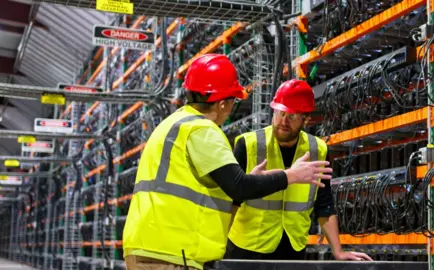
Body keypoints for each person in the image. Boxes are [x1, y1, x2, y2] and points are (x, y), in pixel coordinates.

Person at [122, 54, 333, 270]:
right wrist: (292, 175)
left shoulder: (175, 122)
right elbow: (238, 188)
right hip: (171, 253)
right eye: (233, 101)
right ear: (222, 104)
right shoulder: (202, 130)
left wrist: (254, 179)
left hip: (155, 246)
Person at [226, 79, 373, 261]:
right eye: (280, 113)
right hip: (247, 247)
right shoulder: (248, 145)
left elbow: (324, 203)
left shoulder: (317, 149)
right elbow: (231, 200)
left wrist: (338, 251)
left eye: (293, 116)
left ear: (306, 119)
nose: (284, 121)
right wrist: (219, 245)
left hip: (293, 247)